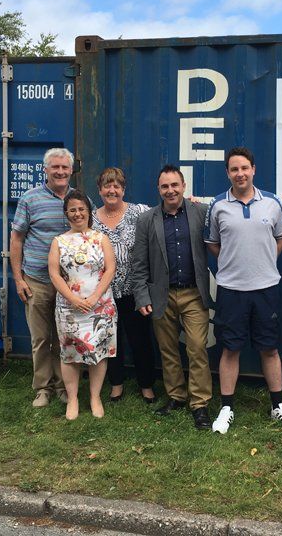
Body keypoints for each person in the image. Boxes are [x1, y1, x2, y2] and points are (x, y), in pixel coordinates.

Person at [205, 147, 282, 434]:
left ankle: (277, 405)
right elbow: (213, 244)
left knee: (269, 348)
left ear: (253, 169)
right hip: (231, 290)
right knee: (230, 349)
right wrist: (234, 263)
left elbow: (279, 239)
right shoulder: (218, 205)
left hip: (266, 289)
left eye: (244, 168)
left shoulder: (271, 203)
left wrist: (263, 263)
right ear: (227, 173)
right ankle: (227, 407)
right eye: (234, 169)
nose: (240, 173)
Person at [130, 165, 213, 430]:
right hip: (161, 295)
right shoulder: (147, 220)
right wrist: (142, 296)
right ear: (159, 189)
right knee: (167, 350)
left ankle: (199, 404)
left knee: (197, 347)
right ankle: (176, 396)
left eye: (175, 185)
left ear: (184, 186)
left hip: (193, 293)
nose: (170, 190)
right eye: (165, 186)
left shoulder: (202, 212)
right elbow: (139, 262)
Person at [10, 148, 74, 408]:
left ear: (71, 170)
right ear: (45, 170)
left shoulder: (78, 199)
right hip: (36, 281)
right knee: (40, 339)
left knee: (63, 339)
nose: (60, 172)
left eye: (64, 167)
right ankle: (42, 389)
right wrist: (18, 279)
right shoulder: (30, 199)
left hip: (68, 284)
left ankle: (63, 386)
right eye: (55, 167)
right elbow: (17, 239)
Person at [49, 190, 117, 420]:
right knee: (69, 353)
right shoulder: (59, 242)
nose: (77, 214)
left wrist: (95, 297)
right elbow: (54, 274)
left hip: (100, 306)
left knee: (99, 351)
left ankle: (95, 397)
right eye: (72, 210)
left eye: (81, 209)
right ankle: (73, 399)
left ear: (89, 212)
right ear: (66, 213)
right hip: (70, 308)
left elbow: (110, 268)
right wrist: (73, 299)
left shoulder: (101, 238)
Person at [92, 167, 157, 404]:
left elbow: (165, 213)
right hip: (104, 292)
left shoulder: (140, 212)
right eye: (107, 186)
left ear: (123, 189)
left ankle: (146, 385)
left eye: (116, 186)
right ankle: (116, 384)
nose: (112, 190)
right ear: (99, 190)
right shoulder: (91, 218)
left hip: (134, 290)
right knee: (111, 339)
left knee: (141, 340)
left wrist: (189, 202)